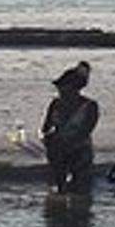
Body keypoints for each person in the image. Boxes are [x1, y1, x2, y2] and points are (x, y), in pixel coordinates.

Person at [41, 61, 101, 193]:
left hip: (80, 152)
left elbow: (86, 131)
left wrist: (65, 143)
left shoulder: (89, 106)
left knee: (80, 189)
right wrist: (48, 138)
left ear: (74, 89)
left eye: (63, 88)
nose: (60, 92)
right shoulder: (55, 104)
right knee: (59, 187)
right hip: (58, 151)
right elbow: (45, 128)